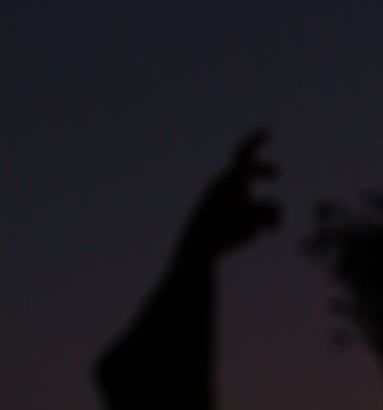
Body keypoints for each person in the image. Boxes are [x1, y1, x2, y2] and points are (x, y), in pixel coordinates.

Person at [94, 129, 282, 409]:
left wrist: (243, 169)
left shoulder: (207, 258)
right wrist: (242, 167)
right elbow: (205, 226)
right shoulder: (199, 263)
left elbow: (208, 227)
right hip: (182, 303)